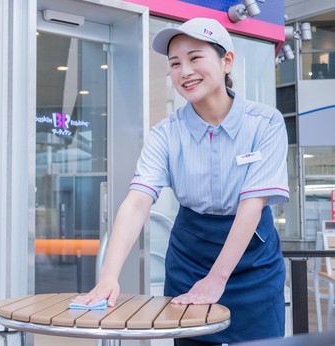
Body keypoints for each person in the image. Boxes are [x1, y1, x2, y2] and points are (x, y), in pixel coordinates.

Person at [73, 17, 289, 345]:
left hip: (253, 259)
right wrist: (108, 278)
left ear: (226, 60)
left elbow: (252, 205)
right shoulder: (166, 134)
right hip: (190, 257)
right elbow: (137, 203)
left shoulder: (265, 123)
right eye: (175, 63)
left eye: (195, 58)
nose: (184, 71)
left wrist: (217, 280)